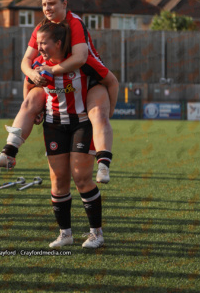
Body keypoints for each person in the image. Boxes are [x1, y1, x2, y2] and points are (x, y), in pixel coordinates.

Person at [0, 0, 117, 184]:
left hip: (89, 77)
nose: (47, 8)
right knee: (30, 101)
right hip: (58, 79)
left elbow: (81, 58)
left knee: (98, 115)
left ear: (64, 4)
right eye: (44, 4)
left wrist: (49, 70)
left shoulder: (74, 23)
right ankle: (9, 153)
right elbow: (26, 61)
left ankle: (103, 165)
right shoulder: (42, 27)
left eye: (52, 3)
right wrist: (32, 74)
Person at [32, 22, 117, 247]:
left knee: (81, 178)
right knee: (58, 181)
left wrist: (109, 111)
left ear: (58, 43)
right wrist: (34, 109)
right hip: (53, 125)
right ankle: (65, 234)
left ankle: (96, 234)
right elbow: (28, 83)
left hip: (81, 124)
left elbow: (111, 81)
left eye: (43, 43)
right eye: (37, 43)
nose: (38, 47)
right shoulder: (38, 64)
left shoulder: (83, 60)